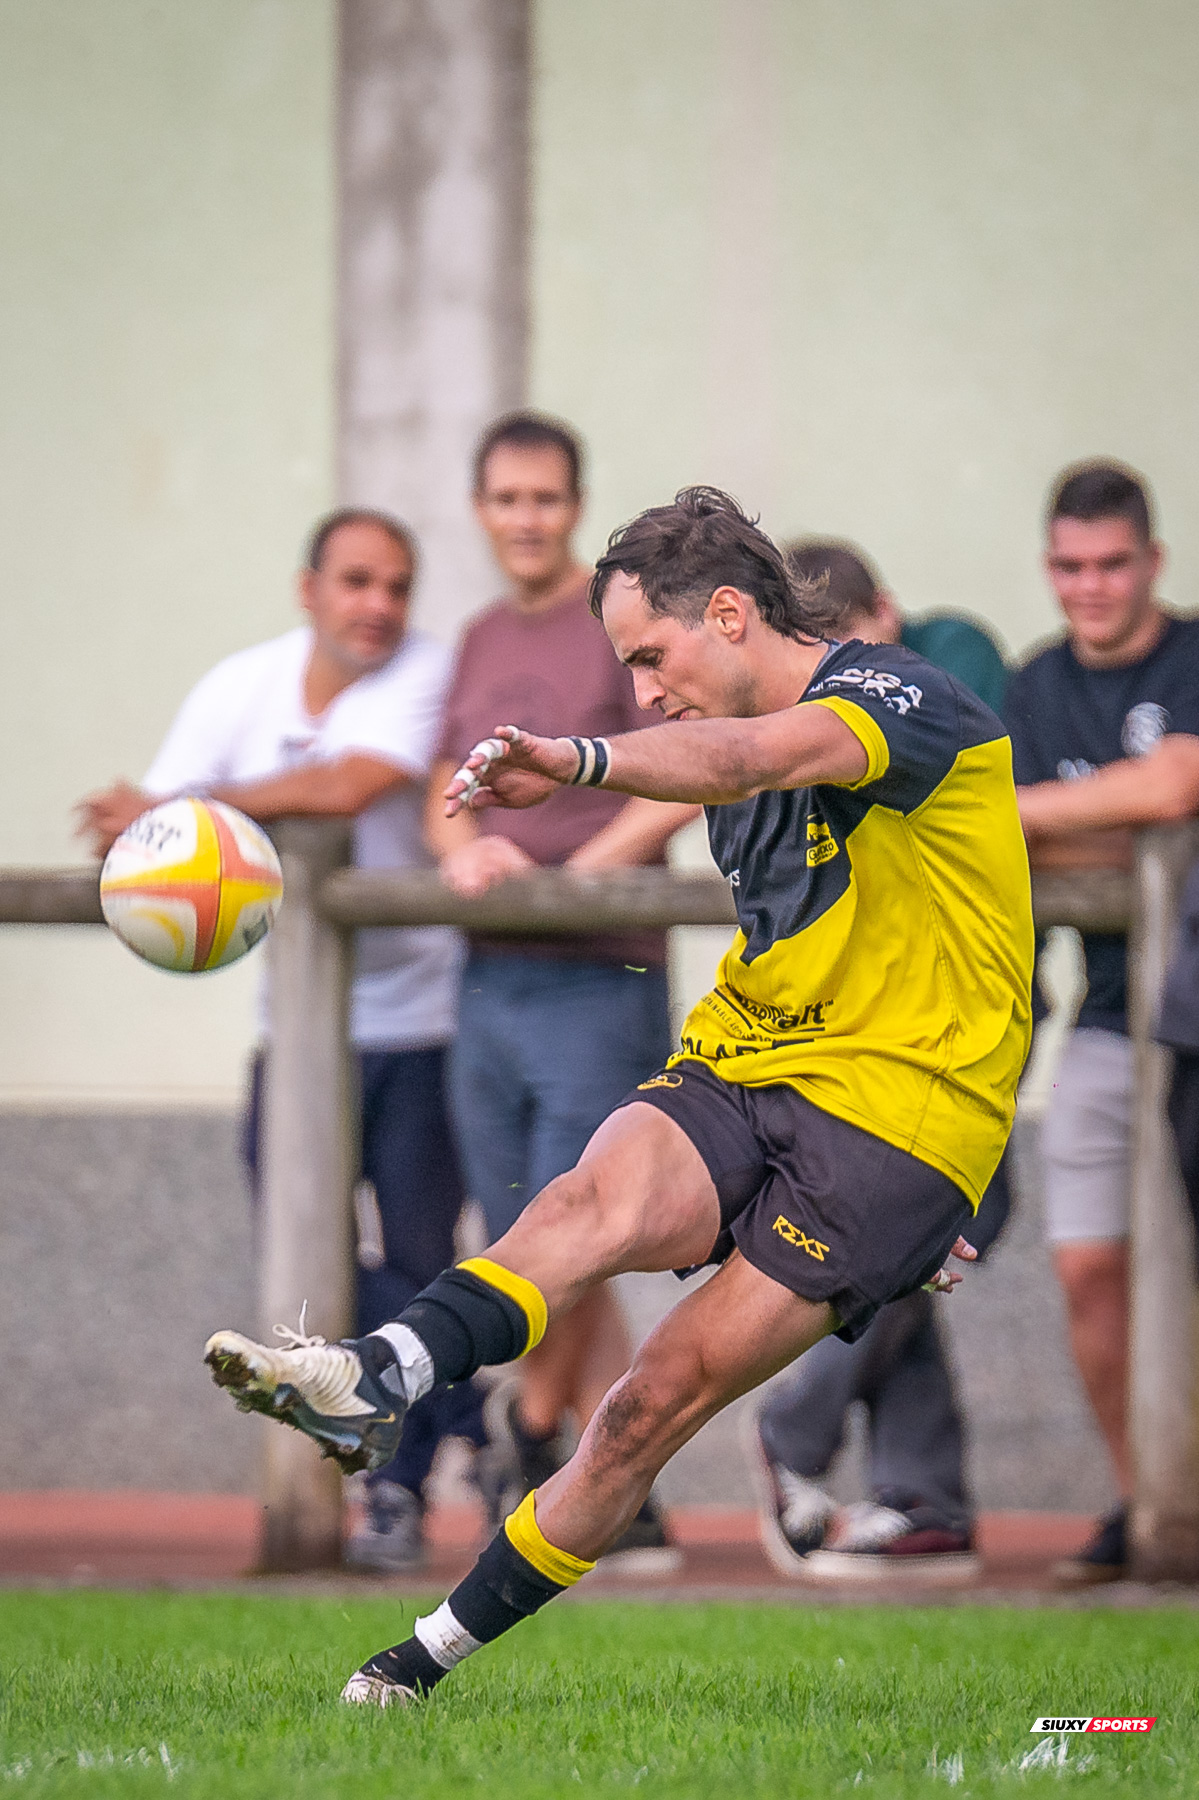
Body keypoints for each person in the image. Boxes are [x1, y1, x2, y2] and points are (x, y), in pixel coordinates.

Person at [204, 485, 1032, 1706]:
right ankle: (373, 1374)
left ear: (733, 614)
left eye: (651, 656)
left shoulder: (898, 698)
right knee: (586, 1201)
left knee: (650, 1400)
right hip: (755, 1056)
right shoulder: (723, 753)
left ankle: (421, 1660)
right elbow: (742, 800)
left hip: (897, 1121)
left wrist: (578, 760)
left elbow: (751, 754)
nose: (642, 689)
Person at [78, 508, 486, 1570]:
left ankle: (392, 1499)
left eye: (396, 585)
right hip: (296, 1039)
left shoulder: (427, 672)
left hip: (424, 1026)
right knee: (300, 1267)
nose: (377, 606)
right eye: (356, 582)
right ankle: (464, 1408)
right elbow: (152, 838)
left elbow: (347, 783)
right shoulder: (237, 686)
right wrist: (159, 823)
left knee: (415, 1256)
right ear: (307, 589)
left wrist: (180, 800)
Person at [427, 412, 697, 1565]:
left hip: (600, 975)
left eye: (544, 498)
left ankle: (528, 1429)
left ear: (574, 507)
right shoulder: (477, 635)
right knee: (521, 1233)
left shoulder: (621, 627)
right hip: (489, 980)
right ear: (482, 512)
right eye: (505, 499)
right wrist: (461, 852)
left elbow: (695, 764)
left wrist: (590, 871)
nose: (525, 518)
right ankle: (615, 1492)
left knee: (582, 1234)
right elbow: (451, 775)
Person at [748, 539, 1013, 1577]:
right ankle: (920, 1493)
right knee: (921, 1239)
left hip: (968, 1012)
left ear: (886, 617)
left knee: (949, 1226)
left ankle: (803, 1431)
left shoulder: (945, 667)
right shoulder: (809, 712)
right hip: (883, 1027)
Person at [1004, 459, 1199, 1585]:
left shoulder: (1193, 654)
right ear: (1047, 568)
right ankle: (1148, 1506)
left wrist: (1044, 813)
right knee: (1085, 1271)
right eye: (1070, 566)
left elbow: (1177, 785)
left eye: (1111, 564)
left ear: (1152, 563)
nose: (1090, 586)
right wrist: (1118, 813)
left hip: (1195, 1020)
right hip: (1098, 1021)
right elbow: (1025, 839)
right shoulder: (1034, 684)